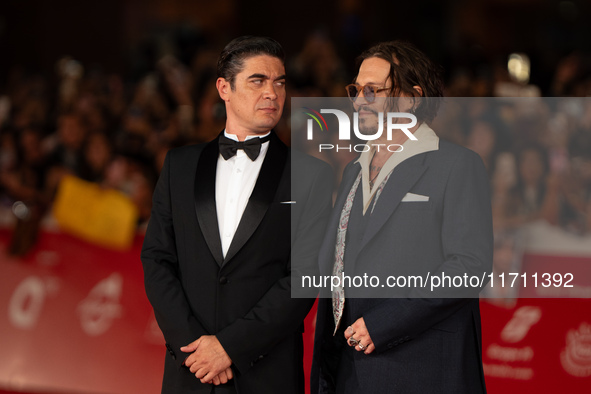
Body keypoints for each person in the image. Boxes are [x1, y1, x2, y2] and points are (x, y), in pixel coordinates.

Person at [141, 36, 333, 394]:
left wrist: (230, 347)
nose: (273, 93)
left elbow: (306, 277)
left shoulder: (312, 176)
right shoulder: (179, 167)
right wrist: (194, 346)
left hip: (267, 373)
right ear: (224, 88)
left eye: (280, 82)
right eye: (258, 80)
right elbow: (157, 259)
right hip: (191, 370)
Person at [311, 40, 493, 393]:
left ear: (411, 98)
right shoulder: (353, 169)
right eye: (356, 89)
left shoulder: (456, 164)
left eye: (372, 90)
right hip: (346, 369)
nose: (359, 99)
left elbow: (468, 267)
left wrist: (384, 325)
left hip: (420, 367)